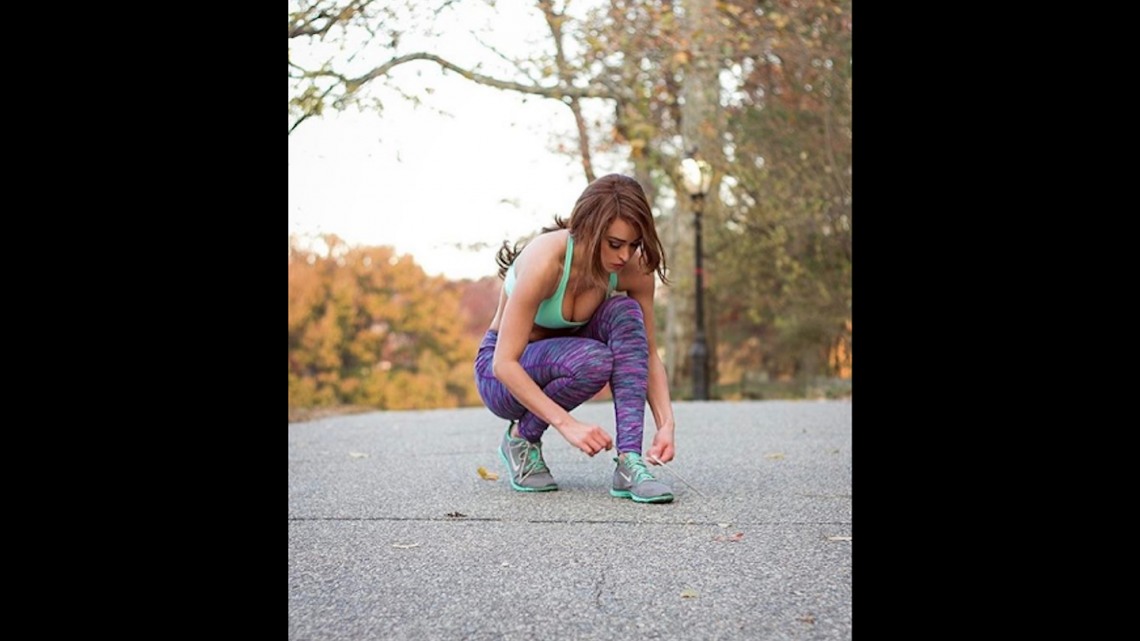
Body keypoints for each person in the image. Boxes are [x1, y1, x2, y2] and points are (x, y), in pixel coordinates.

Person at [474, 174, 677, 503]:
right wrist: (566, 424)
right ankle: (521, 438)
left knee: (626, 313)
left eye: (634, 244)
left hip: (572, 356)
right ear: (589, 230)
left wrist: (666, 424)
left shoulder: (633, 268)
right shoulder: (546, 260)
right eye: (615, 244)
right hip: (501, 376)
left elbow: (649, 353)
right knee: (593, 361)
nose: (625, 256)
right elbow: (504, 363)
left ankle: (630, 462)